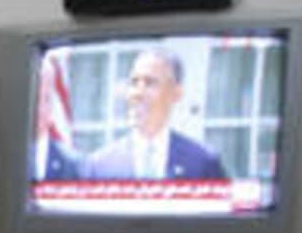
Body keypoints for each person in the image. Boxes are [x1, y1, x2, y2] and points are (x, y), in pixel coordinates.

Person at [83, 48, 228, 181]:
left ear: (176, 93)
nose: (137, 93)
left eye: (150, 83)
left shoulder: (203, 162)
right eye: (134, 83)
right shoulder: (100, 166)